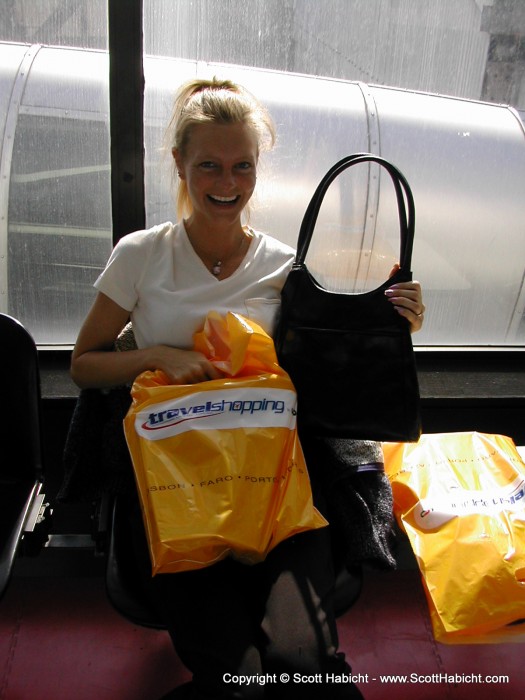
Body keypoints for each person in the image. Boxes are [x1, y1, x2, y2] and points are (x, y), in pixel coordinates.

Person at [70, 78, 425, 700]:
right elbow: (83, 364)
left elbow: (328, 364)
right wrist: (157, 355)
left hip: (273, 481)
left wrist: (398, 321)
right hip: (178, 478)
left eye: (242, 166)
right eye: (208, 164)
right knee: (244, 677)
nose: (225, 183)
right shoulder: (142, 255)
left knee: (305, 661)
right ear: (179, 164)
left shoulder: (283, 267)